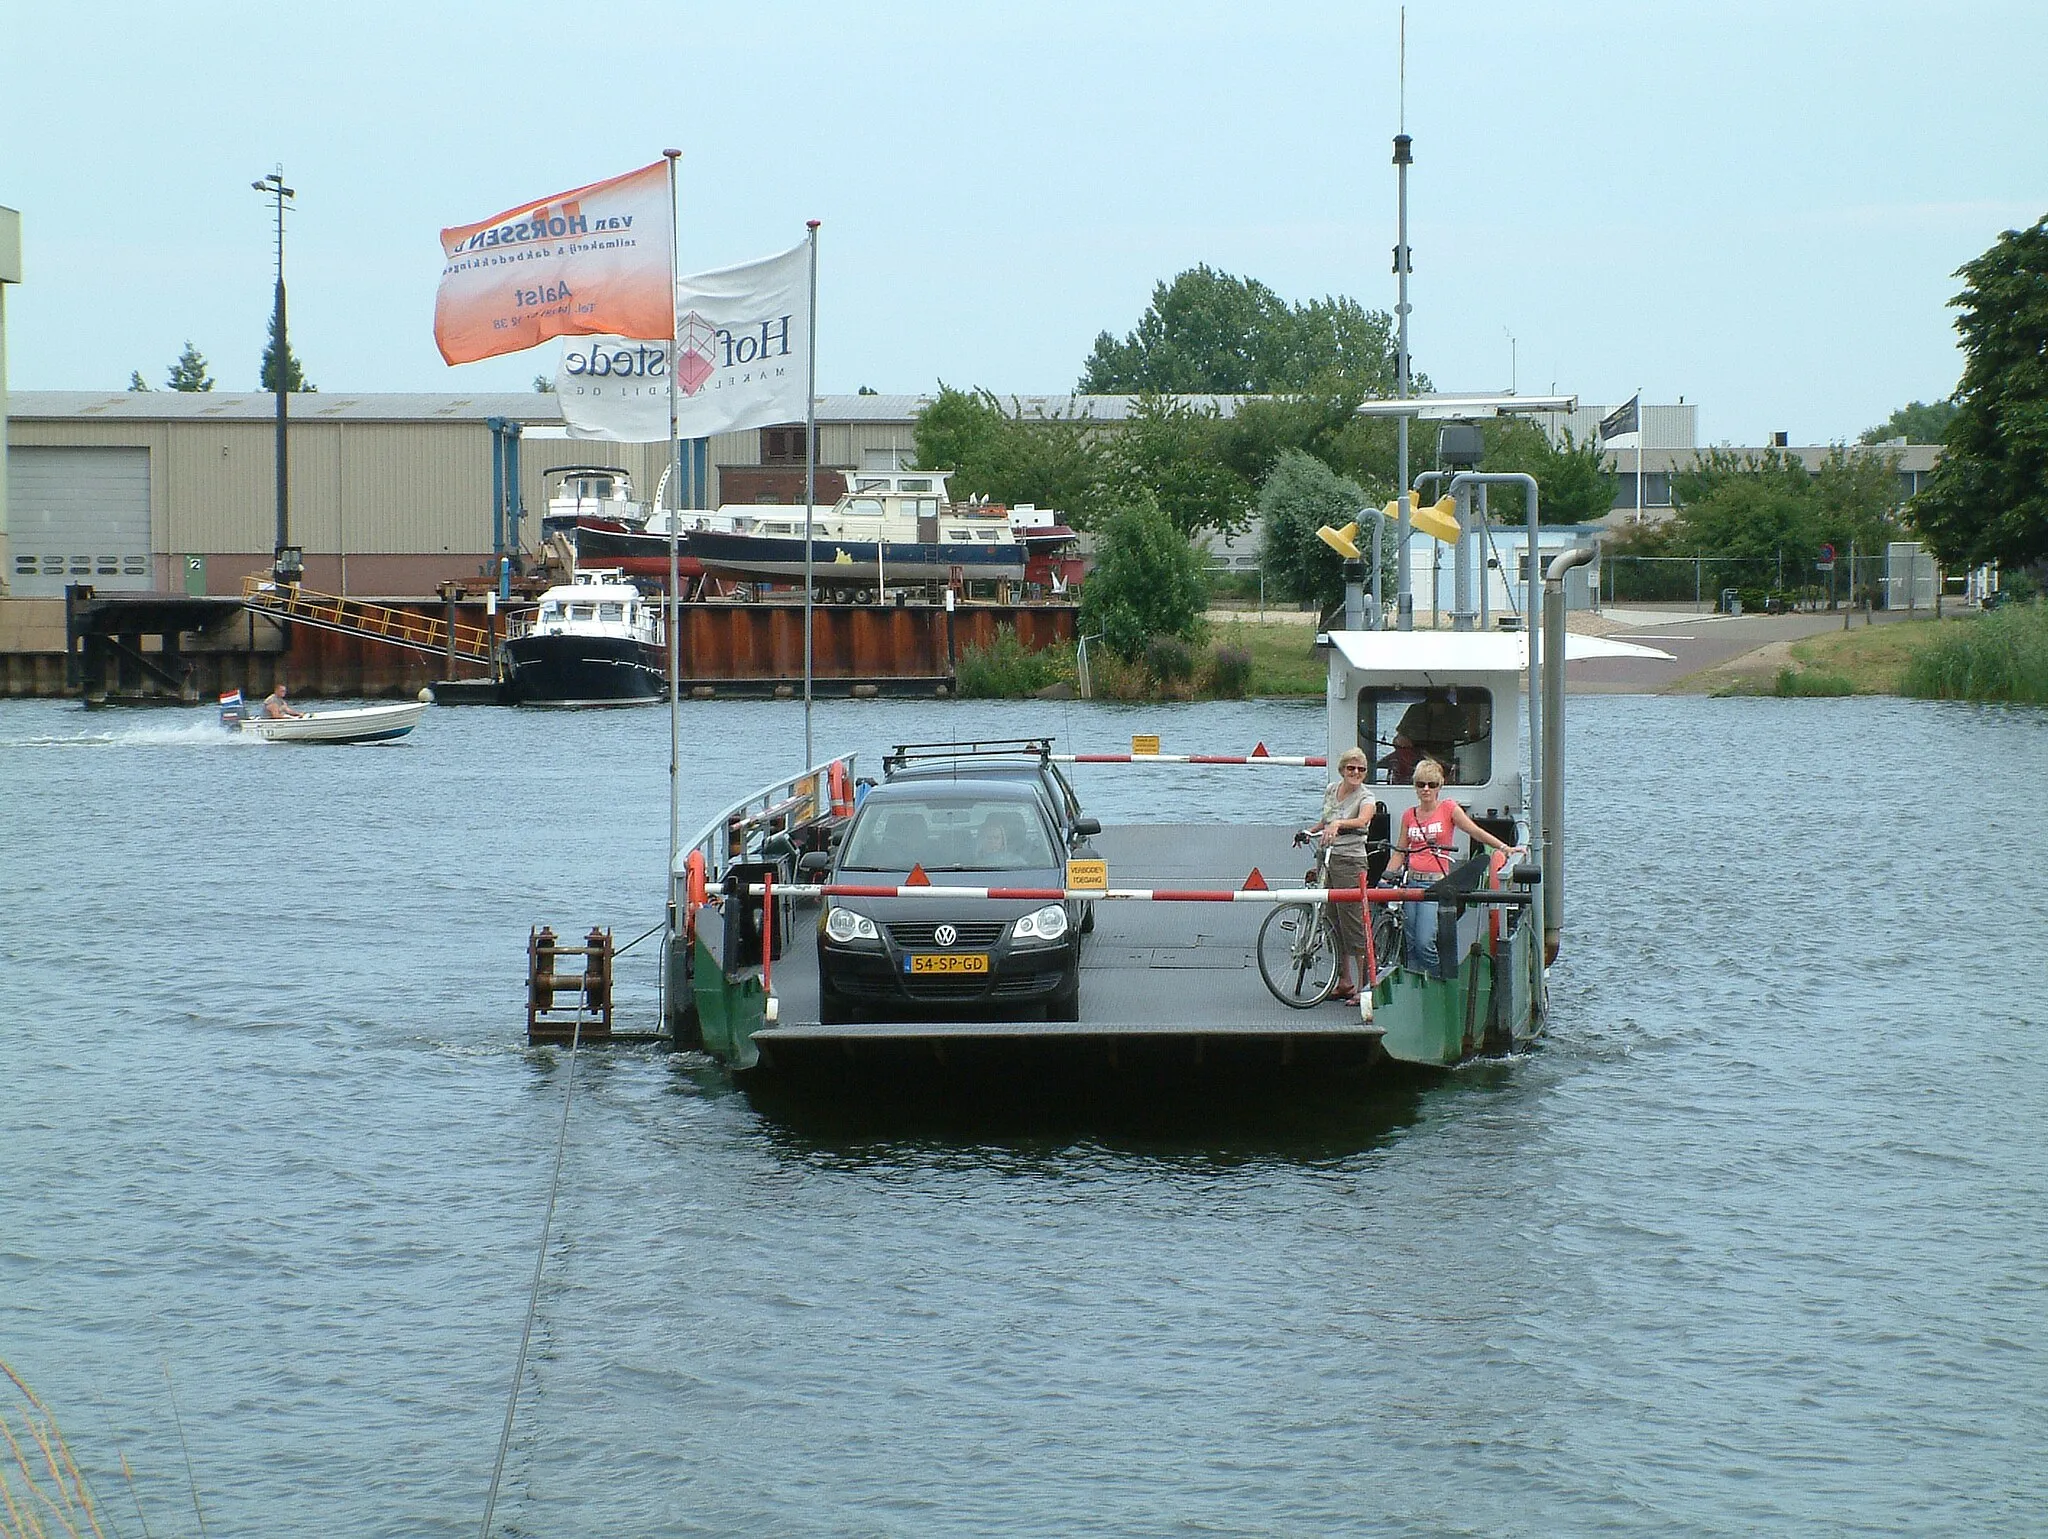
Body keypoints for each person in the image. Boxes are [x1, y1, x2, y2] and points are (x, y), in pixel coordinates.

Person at [1382, 758, 1521, 977]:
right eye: (1421, 784)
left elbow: (1475, 831)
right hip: (1412, 881)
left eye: (1431, 784)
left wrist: (1504, 847)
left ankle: (1439, 980)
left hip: (1436, 883)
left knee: (1424, 940)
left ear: (1440, 786)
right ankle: (1417, 985)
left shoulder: (1448, 808)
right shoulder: (1409, 815)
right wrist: (1386, 878)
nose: (1426, 789)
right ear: (1415, 787)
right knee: (1408, 941)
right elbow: (1401, 851)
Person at [1307, 746, 1381, 1003]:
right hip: (1327, 858)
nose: (1356, 773)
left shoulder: (1367, 798)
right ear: (1342, 769)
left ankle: (1365, 987)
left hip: (1350, 861)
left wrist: (1339, 824)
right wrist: (1310, 831)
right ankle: (1343, 980)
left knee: (1353, 922)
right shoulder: (1331, 789)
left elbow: (1362, 821)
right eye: (1351, 768)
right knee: (1332, 920)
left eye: (1361, 769)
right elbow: (1327, 820)